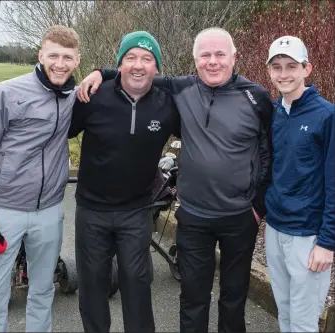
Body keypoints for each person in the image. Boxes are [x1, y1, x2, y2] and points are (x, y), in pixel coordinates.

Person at [77, 27, 274, 333]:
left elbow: (269, 153)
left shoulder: (256, 98)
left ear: (234, 57)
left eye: (220, 54)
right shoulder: (180, 89)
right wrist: (100, 72)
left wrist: (258, 206)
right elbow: (134, 76)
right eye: (205, 55)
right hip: (188, 216)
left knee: (232, 298)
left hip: (235, 215)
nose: (213, 62)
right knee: (191, 298)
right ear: (195, 61)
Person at [68, 31, 180, 333]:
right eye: (130, 58)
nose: (138, 65)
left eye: (147, 59)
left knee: (137, 283)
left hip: (136, 211)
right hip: (92, 210)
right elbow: (57, 131)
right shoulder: (92, 96)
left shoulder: (168, 105)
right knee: (92, 285)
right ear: (120, 64)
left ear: (157, 68)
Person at [0, 25, 80, 332]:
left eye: (67, 57)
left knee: (43, 290)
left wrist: (103, 73)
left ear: (77, 60)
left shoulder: (73, 96)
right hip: (3, 210)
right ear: (40, 55)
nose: (60, 63)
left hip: (49, 211)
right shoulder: (5, 93)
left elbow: (119, 79)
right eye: (53, 55)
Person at [264, 36, 334, 332]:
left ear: (307, 68)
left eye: (291, 66)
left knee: (304, 322)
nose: (284, 73)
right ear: (269, 71)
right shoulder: (275, 112)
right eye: (277, 67)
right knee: (285, 311)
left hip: (307, 235)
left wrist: (328, 242)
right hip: (274, 229)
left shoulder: (326, 115)